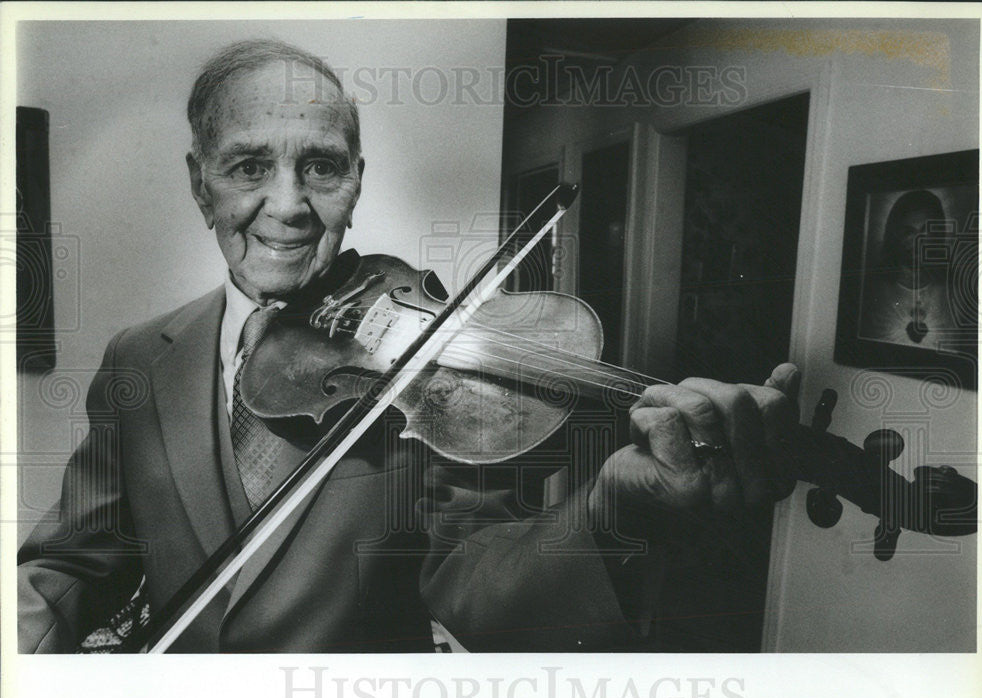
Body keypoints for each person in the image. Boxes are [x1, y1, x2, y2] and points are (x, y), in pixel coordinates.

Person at [18, 39, 800, 654]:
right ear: (201, 184)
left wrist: (614, 508)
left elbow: (482, 581)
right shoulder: (137, 359)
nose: (288, 206)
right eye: (251, 166)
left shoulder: (432, 366)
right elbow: (70, 565)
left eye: (321, 167)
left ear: (356, 180)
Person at [859, 189, 960, 352]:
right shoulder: (872, 290)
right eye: (908, 232)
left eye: (925, 231)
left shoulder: (954, 292)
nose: (918, 240)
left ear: (938, 235)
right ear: (895, 235)